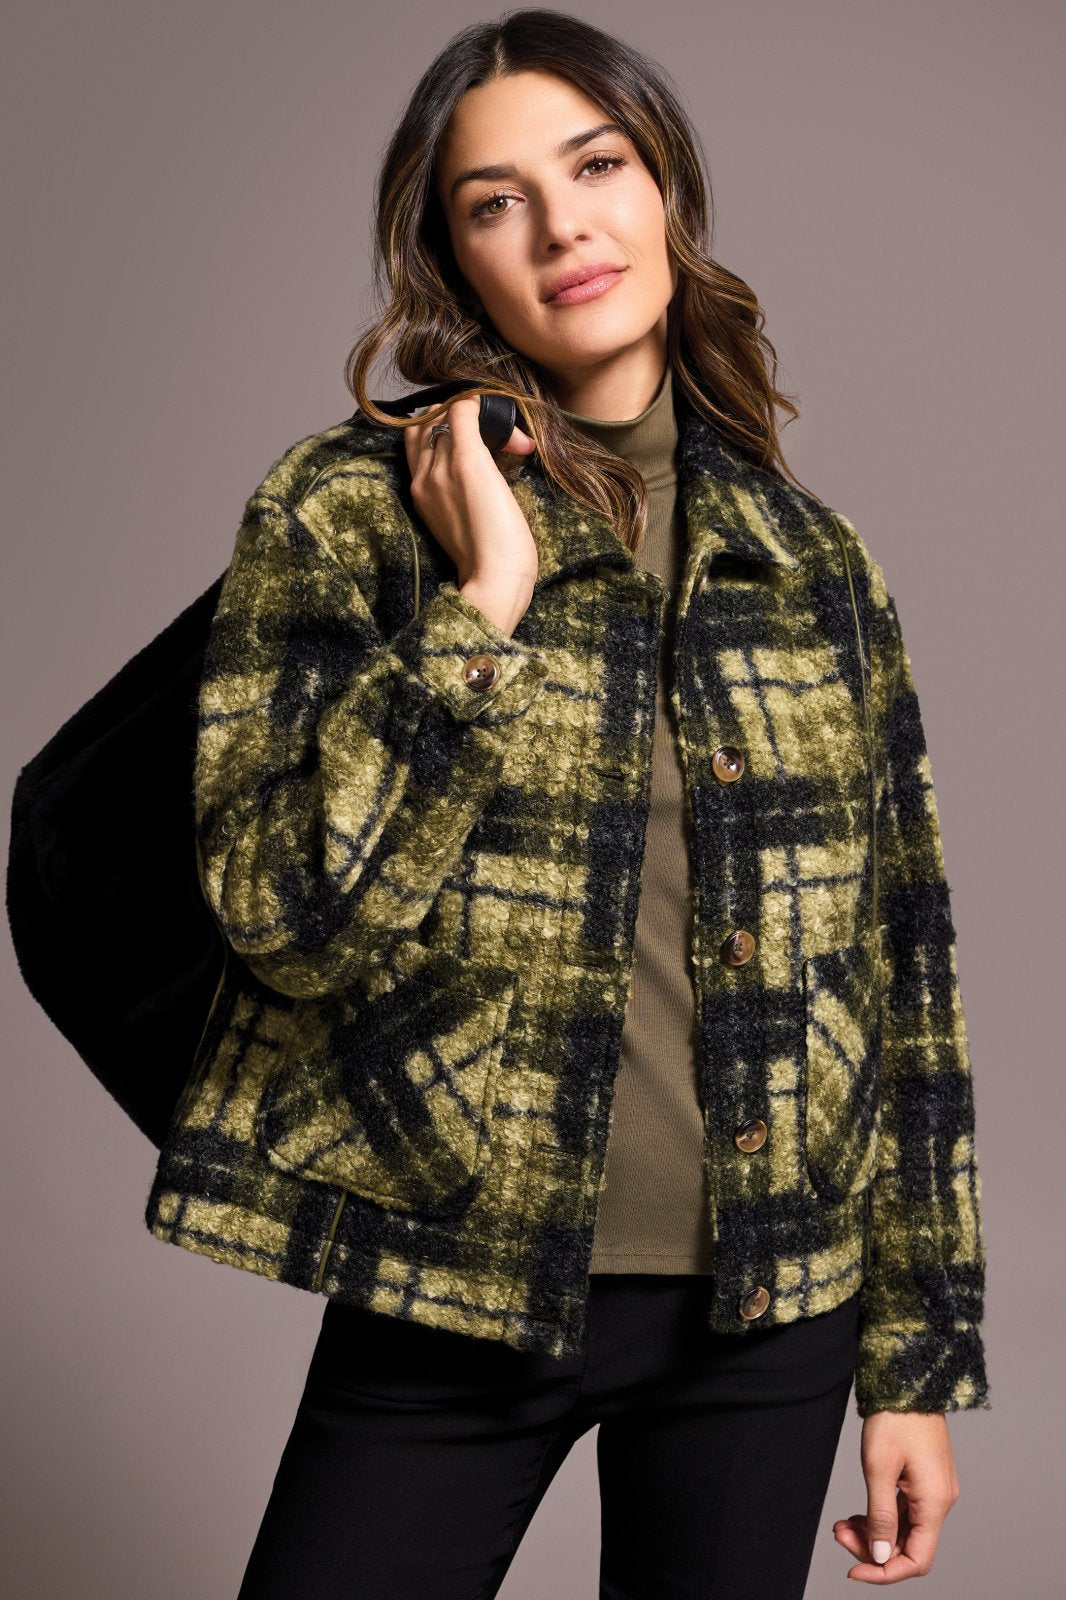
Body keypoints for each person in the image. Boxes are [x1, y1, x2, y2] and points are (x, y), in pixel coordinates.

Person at [142, 11, 991, 1597]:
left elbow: (903, 972)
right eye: (495, 201)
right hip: (448, 1280)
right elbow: (289, 919)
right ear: (451, 260)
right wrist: (485, 600)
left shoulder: (809, 562)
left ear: (664, 186)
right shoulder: (344, 514)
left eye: (595, 166)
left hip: (768, 1314)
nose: (560, 228)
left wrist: (917, 1361)